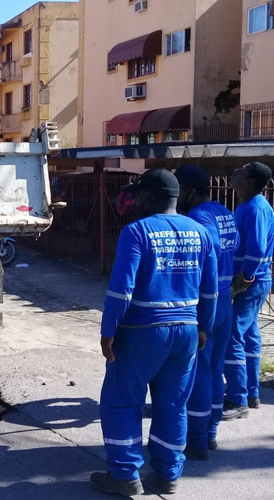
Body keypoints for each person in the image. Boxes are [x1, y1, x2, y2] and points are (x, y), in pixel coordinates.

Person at [90, 169, 217, 496]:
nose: (135, 200)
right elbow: (210, 291)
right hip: (186, 332)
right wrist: (204, 327)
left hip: (141, 332)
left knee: (122, 401)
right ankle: (167, 475)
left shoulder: (136, 232)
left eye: (139, 195)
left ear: (151, 197)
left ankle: (124, 475)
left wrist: (108, 331)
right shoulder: (201, 233)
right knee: (173, 405)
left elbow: (121, 290)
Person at [174, 165, 237, 458]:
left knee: (199, 372)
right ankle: (210, 432)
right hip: (225, 300)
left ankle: (198, 440)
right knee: (213, 369)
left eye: (178, 189)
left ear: (187, 190)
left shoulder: (199, 218)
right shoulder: (223, 211)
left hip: (207, 303)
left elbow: (206, 258)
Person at [223, 161, 274, 420]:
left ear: (251, 181)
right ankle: (251, 393)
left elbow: (255, 249)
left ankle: (237, 399)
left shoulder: (255, 208)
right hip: (254, 280)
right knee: (250, 333)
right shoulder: (250, 205)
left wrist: (244, 279)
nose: (234, 174)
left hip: (251, 281)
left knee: (232, 334)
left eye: (241, 172)